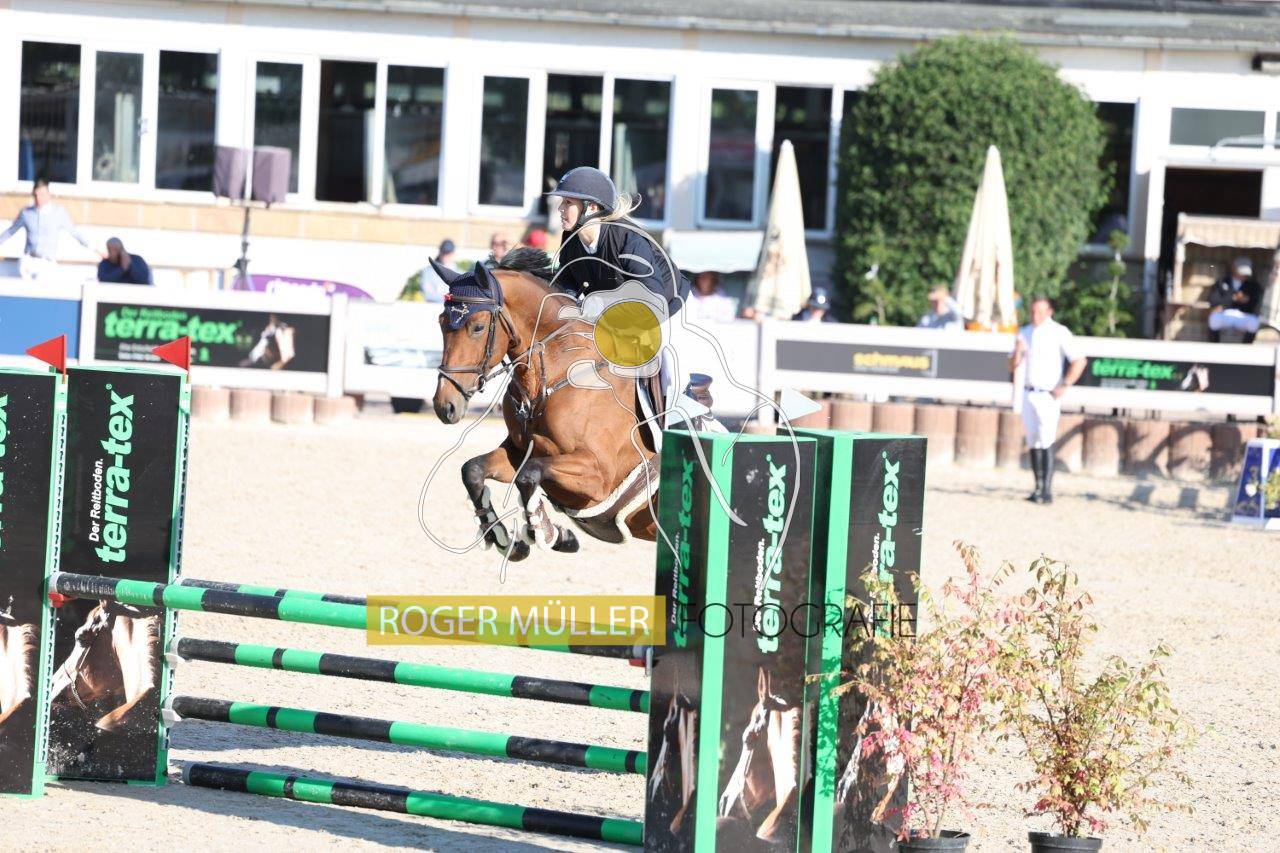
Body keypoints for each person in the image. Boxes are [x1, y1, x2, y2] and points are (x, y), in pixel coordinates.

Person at [548, 166, 691, 411]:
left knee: (672, 378)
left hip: (668, 309)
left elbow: (652, 300)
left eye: (568, 202)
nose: (560, 208)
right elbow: (565, 285)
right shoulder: (571, 240)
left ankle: (686, 418)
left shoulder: (628, 239)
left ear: (591, 207)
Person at [1008, 296, 1087, 504]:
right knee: (1032, 439)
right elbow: (1012, 365)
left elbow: (1079, 359)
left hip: (1047, 393)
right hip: (1027, 392)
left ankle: (1047, 490)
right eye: (1033, 311)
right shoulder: (1024, 332)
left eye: (1040, 311)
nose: (1035, 315)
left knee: (1046, 438)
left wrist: (1065, 384)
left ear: (1049, 312)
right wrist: (1017, 350)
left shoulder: (1058, 332)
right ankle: (1037, 486)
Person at [0, 179, 102, 280]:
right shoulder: (26, 212)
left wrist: (97, 250)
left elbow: (75, 233)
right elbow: (10, 231)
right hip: (28, 261)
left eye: (42, 195)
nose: (38, 198)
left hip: (47, 263)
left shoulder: (59, 212)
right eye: (35, 195)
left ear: (49, 195)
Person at [1207, 257, 1262, 343]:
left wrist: (1245, 301)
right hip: (1225, 313)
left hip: (1244, 314)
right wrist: (1233, 298)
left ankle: (1246, 347)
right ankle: (1214, 345)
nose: (1243, 275)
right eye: (1241, 272)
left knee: (1254, 322)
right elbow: (1213, 300)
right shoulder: (1222, 281)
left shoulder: (1253, 285)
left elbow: (1255, 305)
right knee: (1214, 318)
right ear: (1234, 268)